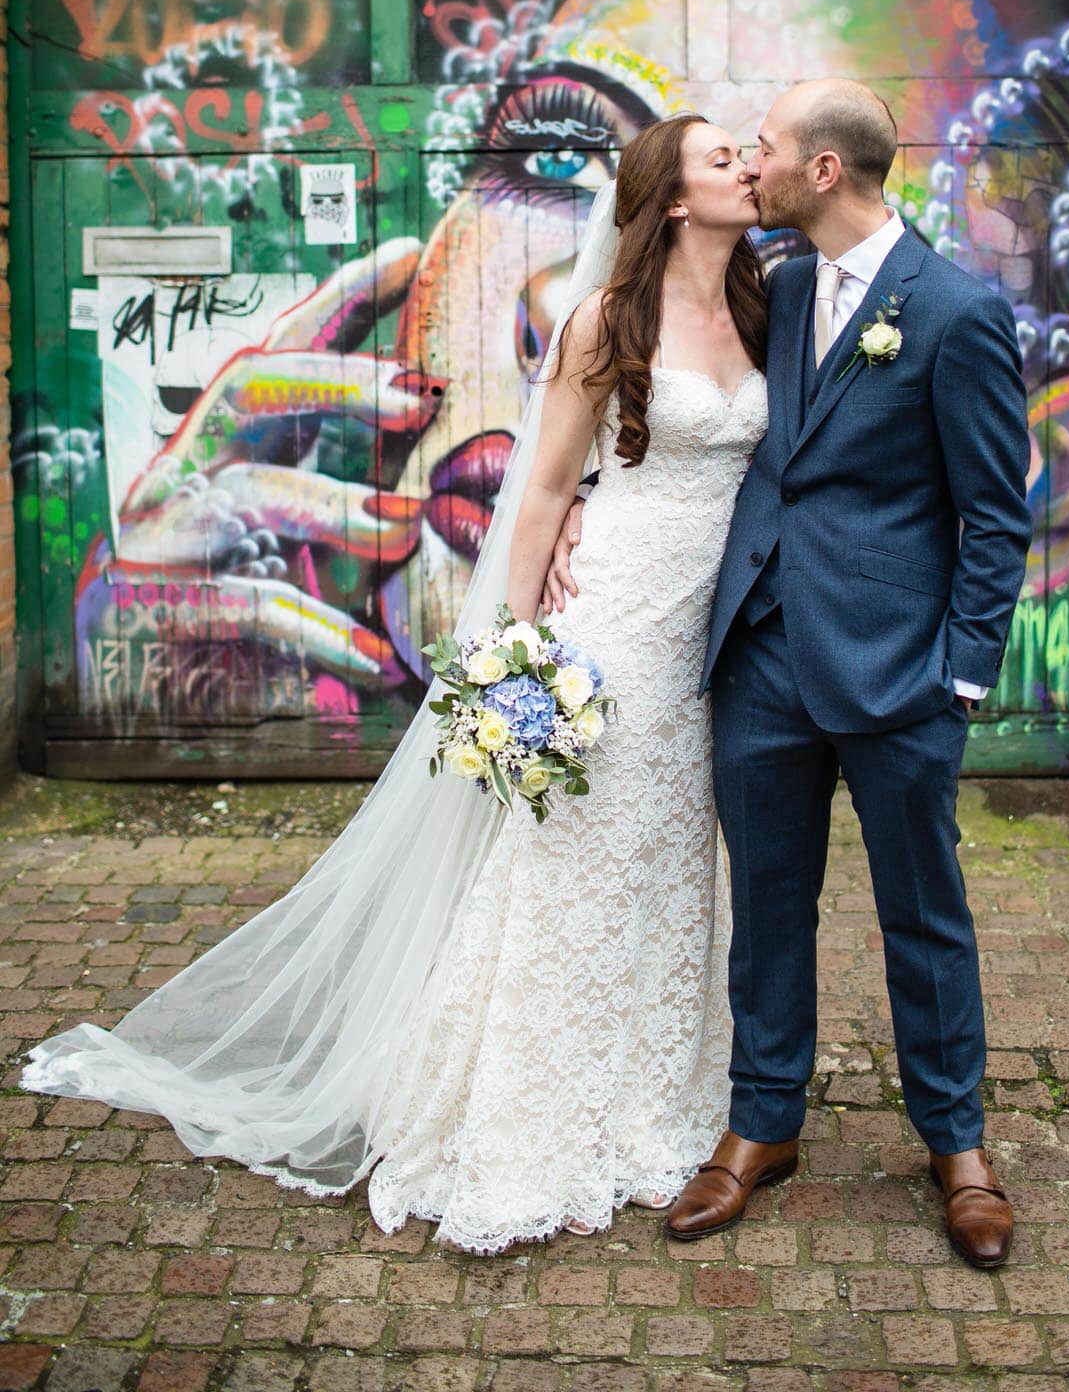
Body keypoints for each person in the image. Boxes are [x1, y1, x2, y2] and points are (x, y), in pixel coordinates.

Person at [23, 114, 769, 1255]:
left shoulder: (769, 309)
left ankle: (653, 1099)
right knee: (565, 866)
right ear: (670, 196)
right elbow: (539, 494)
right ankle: (525, 1118)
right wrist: (511, 662)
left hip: (705, 646)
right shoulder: (600, 323)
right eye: (724, 158)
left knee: (673, 866)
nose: (748, 167)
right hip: (609, 623)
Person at [548, 78, 1033, 1269]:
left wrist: (959, 678)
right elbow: (667, 409)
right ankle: (760, 1125)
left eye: (762, 148)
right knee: (766, 910)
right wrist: (575, 514)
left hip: (896, 674)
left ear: (821, 172)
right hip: (757, 656)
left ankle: (955, 1143)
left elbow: (994, 515)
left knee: (922, 911)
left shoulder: (956, 312)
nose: (748, 162)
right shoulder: (786, 286)